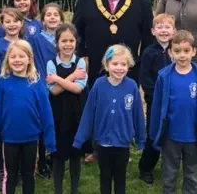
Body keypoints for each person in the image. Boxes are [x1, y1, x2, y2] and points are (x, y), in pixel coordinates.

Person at [149, 30, 197, 194]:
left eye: (186, 51)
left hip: (194, 136)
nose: (182, 55)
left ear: (193, 52)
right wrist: (155, 133)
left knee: (191, 177)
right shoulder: (164, 77)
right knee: (169, 176)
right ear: (170, 52)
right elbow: (156, 108)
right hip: (171, 136)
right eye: (177, 51)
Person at [73, 45, 146, 194]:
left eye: (123, 64)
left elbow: (138, 114)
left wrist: (141, 139)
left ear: (129, 66)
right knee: (105, 177)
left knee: (120, 179)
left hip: (123, 143)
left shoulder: (132, 86)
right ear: (106, 65)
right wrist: (79, 139)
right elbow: (88, 114)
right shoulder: (99, 85)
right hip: (103, 143)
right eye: (115, 64)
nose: (119, 68)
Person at [0, 40, 56, 194]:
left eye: (21, 56)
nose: (17, 60)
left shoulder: (36, 83)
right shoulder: (3, 82)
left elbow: (46, 113)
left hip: (31, 139)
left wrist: (50, 141)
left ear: (30, 59)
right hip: (9, 139)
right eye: (13, 57)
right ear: (8, 60)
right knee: (9, 175)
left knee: (28, 175)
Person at [73, 0, 153, 88]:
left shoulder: (142, 3)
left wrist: (140, 63)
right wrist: (82, 56)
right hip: (95, 67)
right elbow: (76, 33)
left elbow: (148, 38)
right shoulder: (85, 0)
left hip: (127, 69)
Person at [46, 24, 88, 194]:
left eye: (71, 40)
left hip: (76, 114)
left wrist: (58, 79)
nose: (68, 44)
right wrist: (71, 77)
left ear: (76, 42)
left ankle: (74, 189)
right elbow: (54, 91)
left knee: (75, 154)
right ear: (57, 42)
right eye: (64, 41)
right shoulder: (51, 63)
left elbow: (78, 89)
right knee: (58, 154)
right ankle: (58, 189)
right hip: (57, 114)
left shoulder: (80, 63)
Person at [0, 7, 25, 190]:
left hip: (22, 98)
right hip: (4, 98)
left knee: (18, 133)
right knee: (3, 136)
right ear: (2, 24)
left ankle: (18, 171)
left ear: (21, 23)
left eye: (15, 21)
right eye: (7, 21)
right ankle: (2, 171)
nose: (12, 25)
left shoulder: (26, 44)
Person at [137, 13, 175, 184]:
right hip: (156, 102)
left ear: (174, 31)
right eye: (160, 27)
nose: (164, 31)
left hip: (175, 102)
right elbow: (145, 79)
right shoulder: (149, 53)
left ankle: (171, 166)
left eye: (167, 27)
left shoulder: (177, 50)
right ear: (153, 31)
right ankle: (146, 168)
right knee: (154, 135)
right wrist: (157, 96)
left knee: (172, 134)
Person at [28, 2, 64, 179]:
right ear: (42, 20)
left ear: (61, 19)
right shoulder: (36, 40)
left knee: (59, 123)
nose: (52, 18)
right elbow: (34, 64)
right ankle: (41, 162)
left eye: (55, 15)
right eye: (48, 15)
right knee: (43, 126)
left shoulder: (65, 39)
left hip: (62, 87)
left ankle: (56, 157)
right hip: (43, 88)